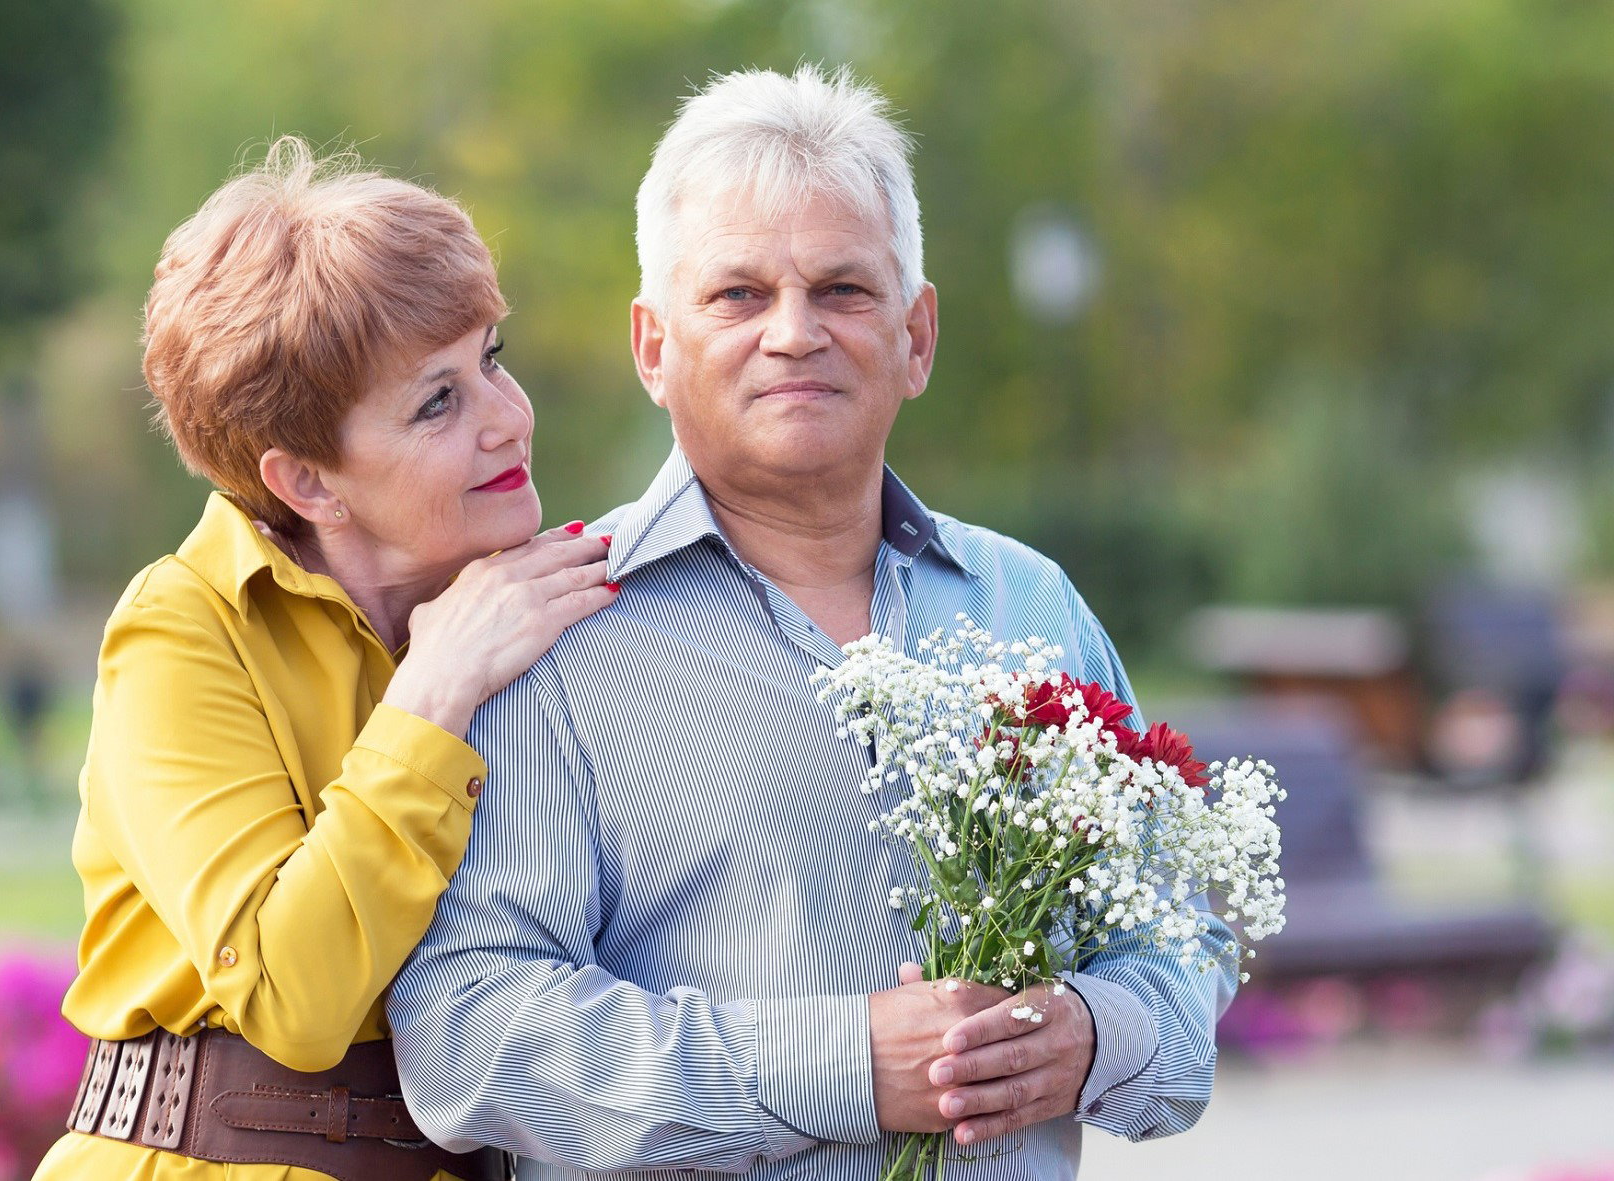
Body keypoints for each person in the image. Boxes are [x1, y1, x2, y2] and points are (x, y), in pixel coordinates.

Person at [388, 66, 1237, 1180]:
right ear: (652, 347)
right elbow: (472, 1031)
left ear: (915, 334)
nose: (793, 332)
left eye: (841, 289)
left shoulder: (1029, 604)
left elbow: (1183, 935)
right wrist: (840, 1062)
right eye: (736, 295)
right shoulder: (547, 634)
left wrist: (1089, 1034)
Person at [33, 138, 615, 1181]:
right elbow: (293, 996)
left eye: (491, 358)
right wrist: (433, 693)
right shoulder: (184, 627)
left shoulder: (537, 606)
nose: (506, 418)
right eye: (437, 402)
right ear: (307, 482)